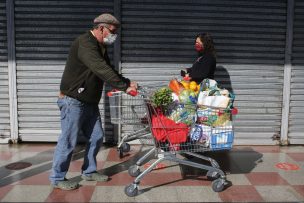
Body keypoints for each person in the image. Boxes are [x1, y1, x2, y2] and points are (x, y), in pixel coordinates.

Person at [49, 13, 137, 190]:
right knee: (68, 140)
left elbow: (109, 69)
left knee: (96, 137)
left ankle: (89, 171)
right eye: (111, 31)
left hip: (89, 101)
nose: (114, 35)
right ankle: (57, 177)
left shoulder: (99, 46)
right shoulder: (85, 43)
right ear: (101, 28)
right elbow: (100, 69)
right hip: (73, 100)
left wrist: (126, 82)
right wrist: (123, 87)